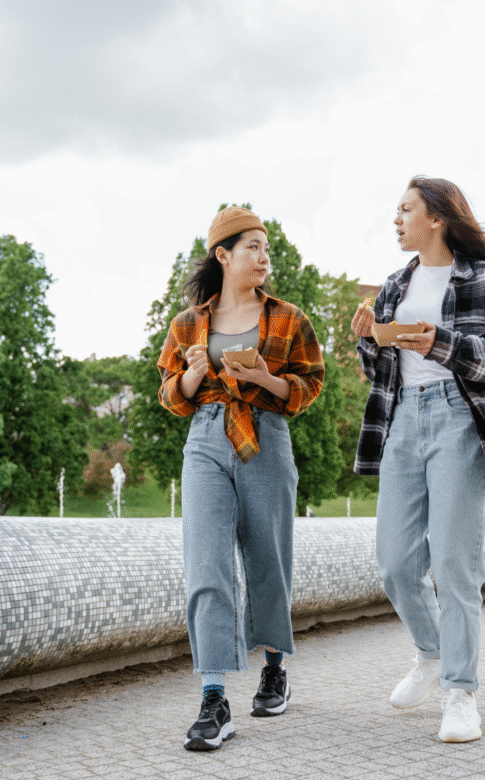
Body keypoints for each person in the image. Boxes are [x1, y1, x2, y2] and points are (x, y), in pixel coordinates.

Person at [351, 176, 485, 743]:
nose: (396, 218)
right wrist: (369, 340)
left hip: (461, 417)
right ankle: (431, 653)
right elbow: (376, 370)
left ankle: (460, 692)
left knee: (455, 562)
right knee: (394, 562)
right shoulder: (393, 285)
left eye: (406, 209)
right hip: (404, 418)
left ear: (437, 217)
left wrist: (439, 343)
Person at [158, 206, 325, 751]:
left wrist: (265, 379)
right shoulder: (187, 324)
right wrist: (190, 377)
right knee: (206, 565)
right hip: (205, 438)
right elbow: (168, 396)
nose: (263, 257)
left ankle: (274, 667)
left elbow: (310, 384)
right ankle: (213, 698)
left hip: (266, 433)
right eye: (252, 246)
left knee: (268, 559)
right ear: (223, 254)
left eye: (267, 248)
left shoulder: (289, 318)